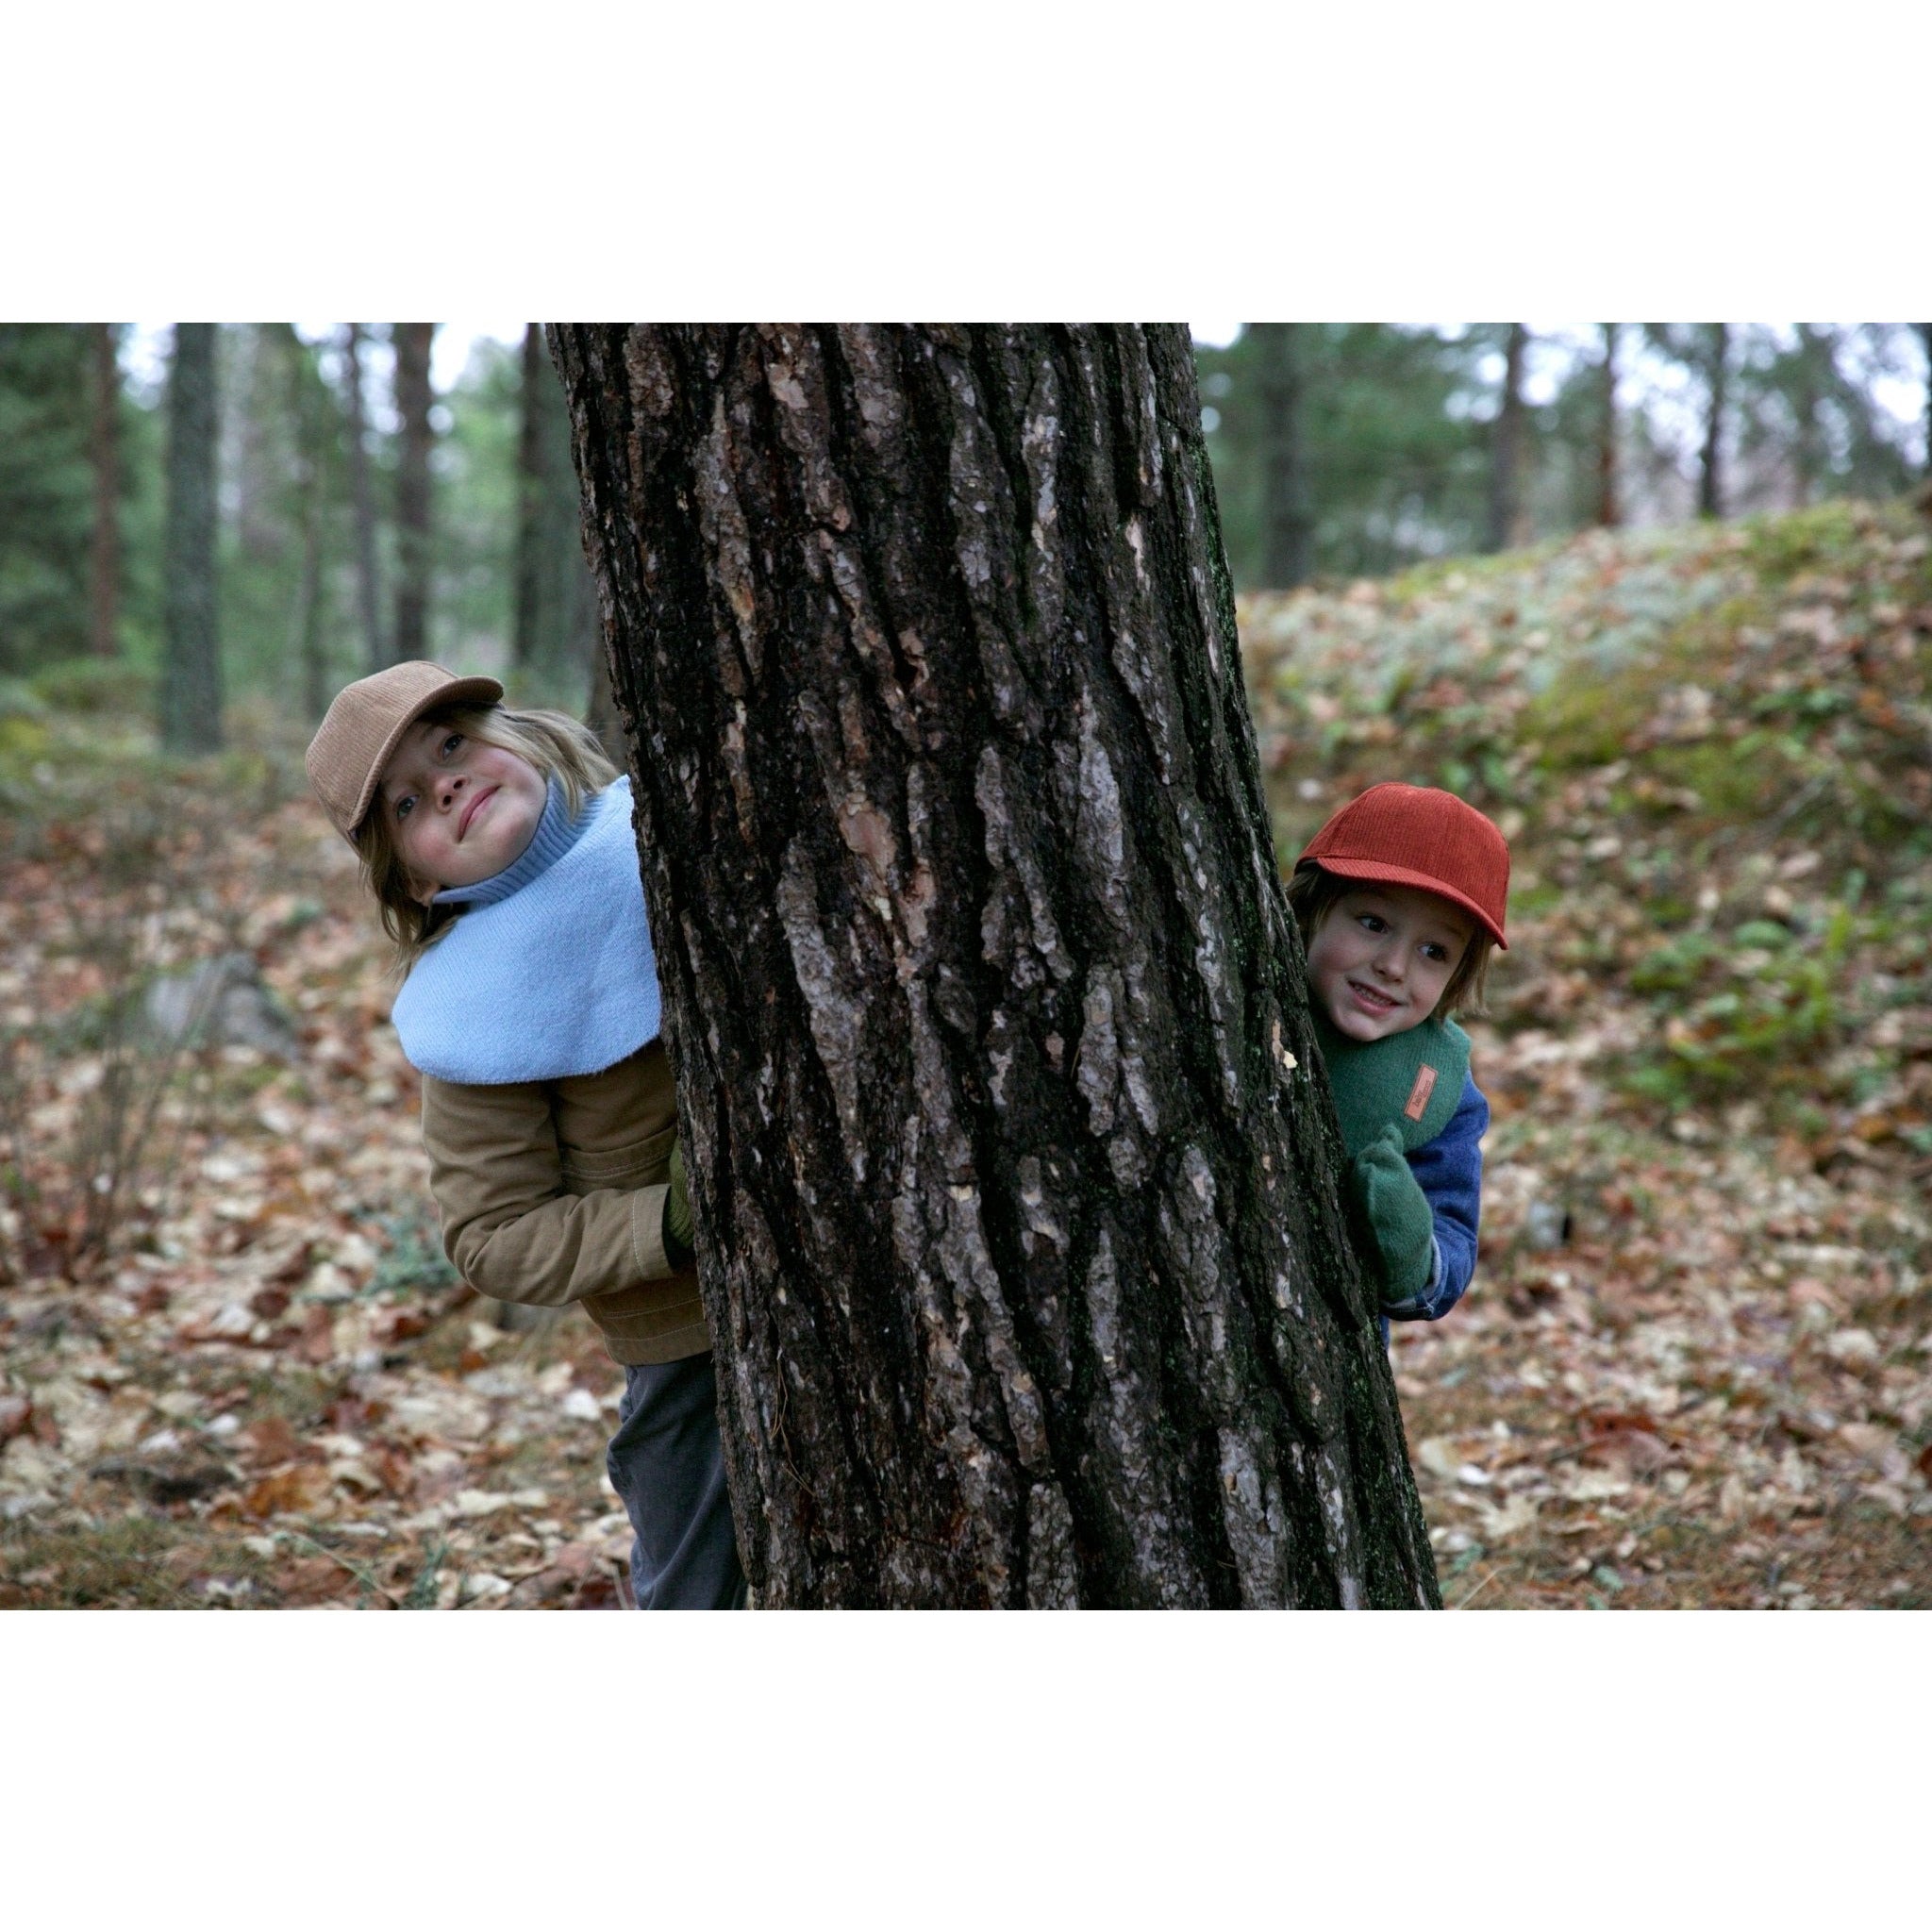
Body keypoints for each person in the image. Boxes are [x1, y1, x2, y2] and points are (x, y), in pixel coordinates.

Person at [305, 660, 745, 1609]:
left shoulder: (666, 821)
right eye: (409, 802)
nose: (448, 784)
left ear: (523, 735)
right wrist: (668, 1221)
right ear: (413, 876)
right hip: (685, 1336)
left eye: (452, 745)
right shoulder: (472, 1012)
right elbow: (490, 1235)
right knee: (697, 1585)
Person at [1286, 782, 1509, 1331]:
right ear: (1313, 907)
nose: (1394, 966)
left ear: (1459, 975)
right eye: (1373, 923)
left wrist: (1413, 1251)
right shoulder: (1248, 989)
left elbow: (1452, 1247)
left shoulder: (1441, 1087)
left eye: (1434, 952)